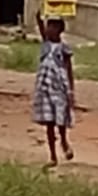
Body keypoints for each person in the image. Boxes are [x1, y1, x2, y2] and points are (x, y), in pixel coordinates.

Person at [32, 10, 75, 167]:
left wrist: (71, 90)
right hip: (44, 88)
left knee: (60, 119)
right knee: (49, 122)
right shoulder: (46, 44)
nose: (49, 29)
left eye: (53, 26)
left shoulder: (64, 48)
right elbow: (40, 25)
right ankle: (52, 156)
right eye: (48, 26)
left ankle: (64, 141)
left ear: (60, 29)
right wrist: (40, 14)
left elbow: (69, 70)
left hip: (59, 87)